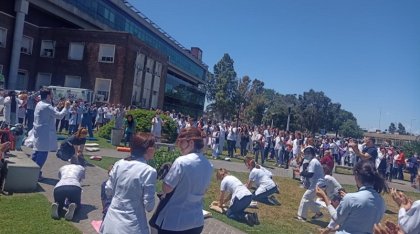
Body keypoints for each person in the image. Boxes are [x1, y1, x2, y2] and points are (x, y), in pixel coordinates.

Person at [151, 127, 213, 234]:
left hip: (174, 222)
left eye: (182, 143)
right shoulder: (209, 165)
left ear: (191, 143)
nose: (180, 147)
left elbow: (166, 189)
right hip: (196, 221)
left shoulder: (181, 162)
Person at [100, 133, 157, 234]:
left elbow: (108, 190)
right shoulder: (149, 171)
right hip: (133, 224)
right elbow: (149, 206)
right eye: (154, 146)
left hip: (111, 221)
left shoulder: (119, 164)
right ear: (148, 149)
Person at [316, 160, 388, 233]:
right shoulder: (381, 202)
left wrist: (325, 197)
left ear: (357, 175)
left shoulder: (351, 198)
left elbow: (337, 218)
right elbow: (358, 223)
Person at [32, 88, 70, 180]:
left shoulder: (40, 104)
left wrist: (57, 107)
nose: (52, 96)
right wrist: (66, 107)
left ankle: (32, 170)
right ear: (48, 95)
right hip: (44, 132)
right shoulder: (47, 106)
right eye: (51, 94)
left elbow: (49, 113)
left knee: (36, 151)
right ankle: (35, 174)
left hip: (38, 130)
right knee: (42, 153)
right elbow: (59, 116)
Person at [296, 146, 325, 221]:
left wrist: (301, 173)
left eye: (306, 153)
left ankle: (302, 217)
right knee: (309, 200)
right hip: (318, 184)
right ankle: (318, 213)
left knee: (305, 198)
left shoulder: (313, 162)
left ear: (310, 153)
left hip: (317, 184)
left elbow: (310, 174)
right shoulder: (313, 161)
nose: (305, 155)